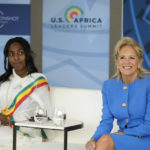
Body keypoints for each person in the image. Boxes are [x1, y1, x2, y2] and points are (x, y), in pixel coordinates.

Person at [86, 37, 150, 150]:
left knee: (106, 140)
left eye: (132, 57)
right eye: (122, 57)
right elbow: (106, 122)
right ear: (116, 61)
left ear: (139, 61)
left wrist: (123, 133)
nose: (127, 62)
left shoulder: (148, 83)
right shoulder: (108, 86)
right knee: (99, 143)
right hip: (123, 139)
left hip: (146, 139)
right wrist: (93, 139)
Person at [0, 37, 52, 142]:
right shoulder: (4, 81)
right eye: (11, 54)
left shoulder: (38, 81)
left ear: (27, 55)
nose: (16, 58)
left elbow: (44, 111)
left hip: (26, 130)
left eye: (20, 53)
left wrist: (10, 118)